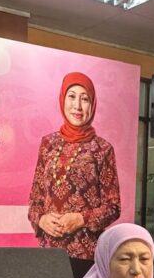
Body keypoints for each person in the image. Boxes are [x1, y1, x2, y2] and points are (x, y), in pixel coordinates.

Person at [28, 71, 121, 260]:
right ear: (63, 99)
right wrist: (42, 220)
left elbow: (113, 207)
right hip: (49, 251)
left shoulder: (103, 149)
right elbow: (35, 201)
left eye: (85, 99)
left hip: (86, 253)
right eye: (71, 97)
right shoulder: (48, 144)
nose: (77, 106)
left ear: (92, 104)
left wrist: (81, 219)